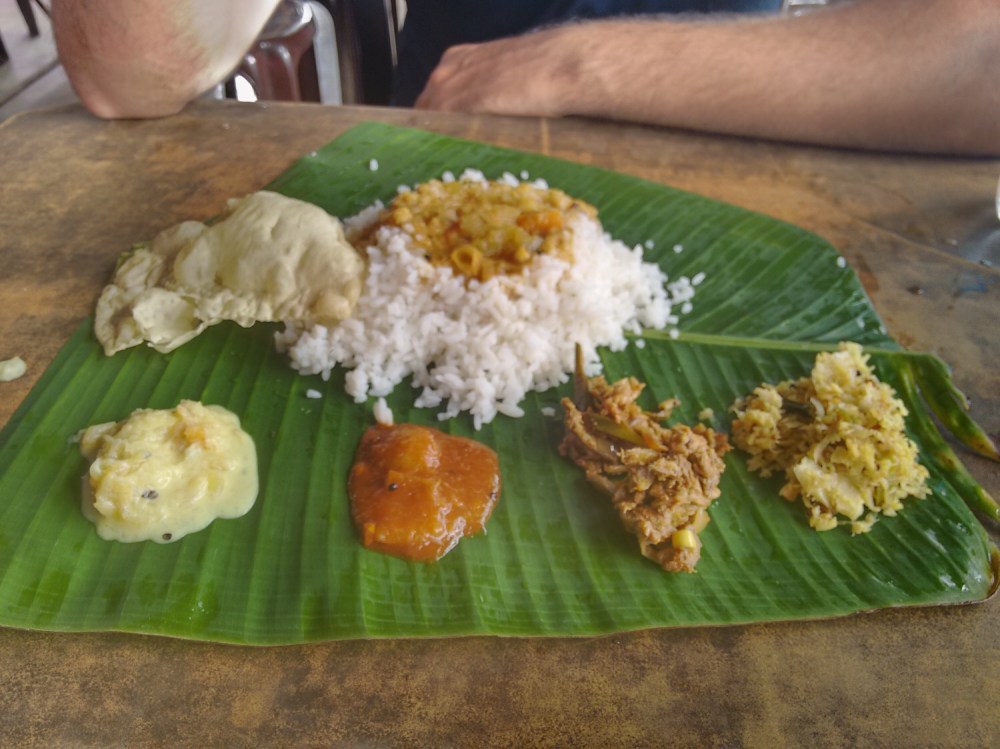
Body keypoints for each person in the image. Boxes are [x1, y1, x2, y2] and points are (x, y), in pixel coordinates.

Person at [51, 0, 1000, 155]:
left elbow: (976, 61)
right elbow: (133, 70)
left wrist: (576, 59)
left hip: (744, 142)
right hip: (435, 157)